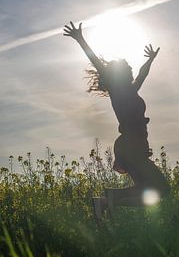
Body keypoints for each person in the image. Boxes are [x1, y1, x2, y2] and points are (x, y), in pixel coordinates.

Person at [63, 21, 170, 217]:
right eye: (126, 69)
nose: (130, 70)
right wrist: (80, 39)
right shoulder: (118, 91)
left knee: (152, 189)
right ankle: (109, 199)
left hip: (134, 144)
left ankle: (105, 202)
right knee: (162, 189)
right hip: (130, 144)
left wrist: (151, 60)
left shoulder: (130, 90)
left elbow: (142, 75)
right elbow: (96, 61)